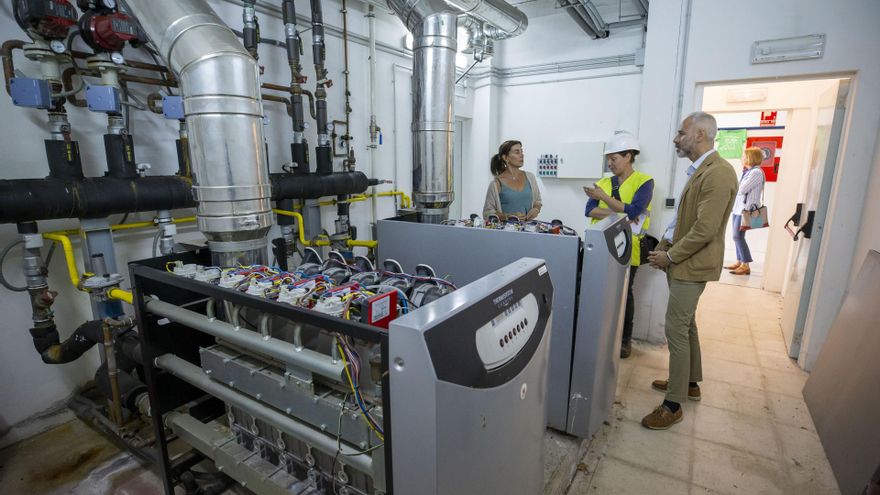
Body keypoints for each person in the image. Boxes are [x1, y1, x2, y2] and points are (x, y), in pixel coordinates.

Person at [642, 112, 738, 430]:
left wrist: (670, 256)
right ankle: (690, 384)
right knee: (688, 325)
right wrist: (666, 243)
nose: (676, 138)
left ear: (700, 134)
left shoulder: (719, 173)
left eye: (681, 133)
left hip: (691, 266)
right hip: (684, 260)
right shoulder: (701, 170)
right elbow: (684, 220)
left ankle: (673, 404)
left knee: (676, 331)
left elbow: (704, 230)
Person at [584, 131, 654, 359]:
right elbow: (588, 210)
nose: (609, 163)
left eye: (614, 158)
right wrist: (620, 211)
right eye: (608, 159)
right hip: (600, 244)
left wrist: (604, 198)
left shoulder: (644, 182)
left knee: (625, 294)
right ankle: (600, 335)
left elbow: (636, 211)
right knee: (599, 291)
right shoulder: (604, 182)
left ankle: (625, 340)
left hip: (628, 247)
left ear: (628, 156)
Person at [725, 147, 766, 276]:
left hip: (747, 210)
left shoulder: (756, 173)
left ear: (750, 157)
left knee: (738, 236)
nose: (742, 158)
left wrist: (734, 186)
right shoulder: (748, 172)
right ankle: (739, 261)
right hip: (738, 209)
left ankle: (745, 265)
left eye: (744, 156)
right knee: (736, 236)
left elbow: (741, 189)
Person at [483, 140, 542, 221]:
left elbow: (538, 201)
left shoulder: (530, 177)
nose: (522, 155)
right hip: (506, 232)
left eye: (522, 151)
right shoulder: (496, 183)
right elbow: (487, 213)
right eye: (517, 152)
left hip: (528, 230)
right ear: (505, 157)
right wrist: (507, 216)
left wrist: (536, 209)